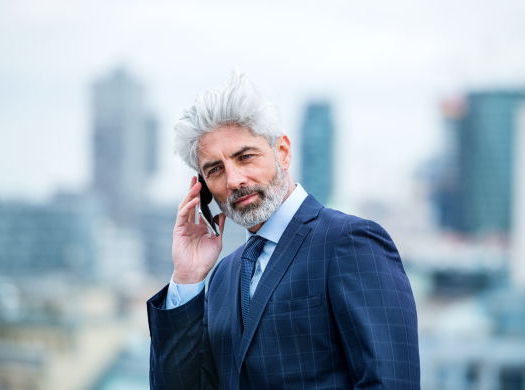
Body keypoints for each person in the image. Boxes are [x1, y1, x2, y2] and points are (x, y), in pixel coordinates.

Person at [147, 71, 420, 389]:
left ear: (284, 152)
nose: (234, 180)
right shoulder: (222, 277)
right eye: (215, 169)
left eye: (245, 157)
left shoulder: (350, 243)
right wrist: (187, 277)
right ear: (203, 188)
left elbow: (388, 382)